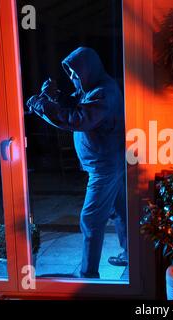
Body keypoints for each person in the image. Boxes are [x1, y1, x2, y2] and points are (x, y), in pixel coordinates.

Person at [26, 47, 128, 279]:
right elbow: (76, 103)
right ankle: (129, 254)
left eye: (74, 72)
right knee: (119, 209)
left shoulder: (103, 92)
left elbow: (77, 118)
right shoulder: (94, 87)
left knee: (90, 219)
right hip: (108, 162)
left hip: (104, 167)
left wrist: (42, 105)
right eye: (70, 72)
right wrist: (55, 96)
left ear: (87, 69)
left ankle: (88, 275)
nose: (71, 77)